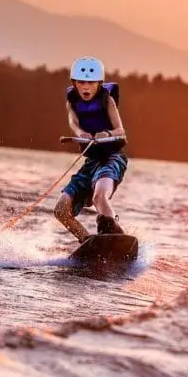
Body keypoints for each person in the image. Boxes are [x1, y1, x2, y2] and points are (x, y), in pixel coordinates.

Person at [53, 56, 127, 243]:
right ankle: (88, 243)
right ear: (74, 83)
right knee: (61, 210)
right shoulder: (72, 101)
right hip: (91, 161)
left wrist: (107, 133)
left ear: (99, 83)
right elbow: (73, 121)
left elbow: (120, 130)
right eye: (81, 82)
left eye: (91, 83)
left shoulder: (107, 100)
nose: (86, 87)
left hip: (111, 158)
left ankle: (115, 236)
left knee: (99, 196)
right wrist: (80, 132)